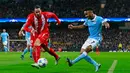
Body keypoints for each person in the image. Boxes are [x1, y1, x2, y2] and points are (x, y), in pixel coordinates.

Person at [66, 8, 110, 72]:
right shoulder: (87, 20)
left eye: (86, 14)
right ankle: (96, 65)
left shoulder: (99, 18)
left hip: (97, 38)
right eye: (85, 14)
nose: (85, 16)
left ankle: (72, 62)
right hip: (90, 38)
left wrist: (106, 24)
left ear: (91, 13)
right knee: (82, 53)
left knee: (87, 50)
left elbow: (105, 22)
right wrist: (73, 27)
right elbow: (83, 26)